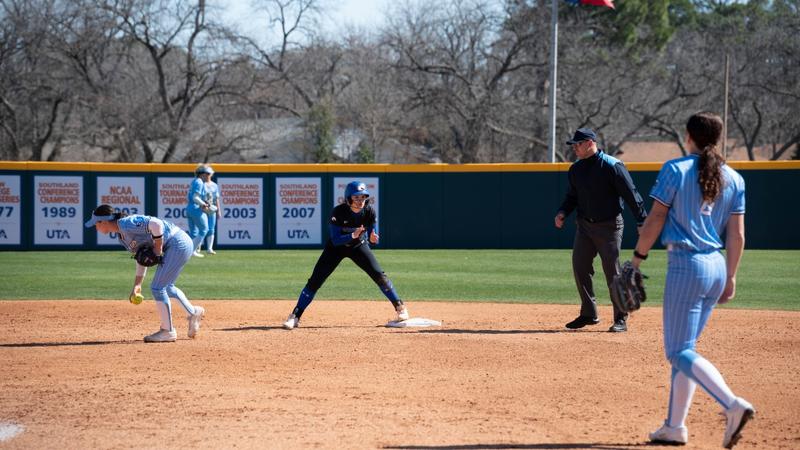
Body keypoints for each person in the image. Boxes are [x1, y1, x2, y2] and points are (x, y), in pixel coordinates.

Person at [632, 112, 754, 448]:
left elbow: (656, 218)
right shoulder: (735, 178)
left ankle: (732, 404)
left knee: (678, 350)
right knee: (687, 348)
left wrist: (637, 258)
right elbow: (737, 236)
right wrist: (730, 275)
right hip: (715, 266)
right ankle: (674, 426)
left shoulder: (676, 169)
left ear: (689, 136)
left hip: (687, 265)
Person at [555, 127, 647, 332]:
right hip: (585, 226)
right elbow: (572, 197)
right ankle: (589, 313)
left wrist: (642, 221)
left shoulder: (612, 166)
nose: (574, 148)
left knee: (612, 272)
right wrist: (563, 212)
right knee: (580, 266)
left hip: (609, 226)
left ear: (589, 143)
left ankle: (620, 318)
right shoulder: (576, 169)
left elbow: (632, 195)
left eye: (577, 144)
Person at [282, 181, 409, 330]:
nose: (360, 201)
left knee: (379, 275)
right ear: (348, 198)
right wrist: (353, 235)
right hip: (336, 248)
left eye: (363, 197)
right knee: (315, 280)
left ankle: (400, 308)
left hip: (358, 246)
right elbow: (335, 240)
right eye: (356, 197)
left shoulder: (369, 211)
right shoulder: (338, 212)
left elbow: (372, 233)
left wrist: (374, 238)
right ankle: (295, 316)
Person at [85, 204, 205, 343]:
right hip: (177, 244)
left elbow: (156, 224)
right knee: (167, 287)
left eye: (96, 224)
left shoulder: (126, 223)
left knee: (158, 288)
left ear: (104, 221)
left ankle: (168, 331)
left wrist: (158, 248)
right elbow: (141, 257)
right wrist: (137, 285)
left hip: (178, 242)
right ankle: (193, 312)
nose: (95, 227)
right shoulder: (122, 238)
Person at [186, 164, 213, 258]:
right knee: (204, 229)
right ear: (203, 174)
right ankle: (191, 250)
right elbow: (195, 197)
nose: (209, 176)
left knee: (193, 232)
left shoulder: (194, 181)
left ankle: (190, 251)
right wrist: (204, 204)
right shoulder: (199, 182)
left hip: (189, 208)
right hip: (195, 208)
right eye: (208, 174)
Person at [197, 165, 221, 255]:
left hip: (211, 208)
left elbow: (216, 199)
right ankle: (198, 247)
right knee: (202, 228)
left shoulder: (214, 185)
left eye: (208, 173)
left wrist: (219, 210)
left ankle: (209, 248)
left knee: (211, 228)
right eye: (205, 173)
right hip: (202, 208)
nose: (207, 175)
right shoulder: (201, 184)